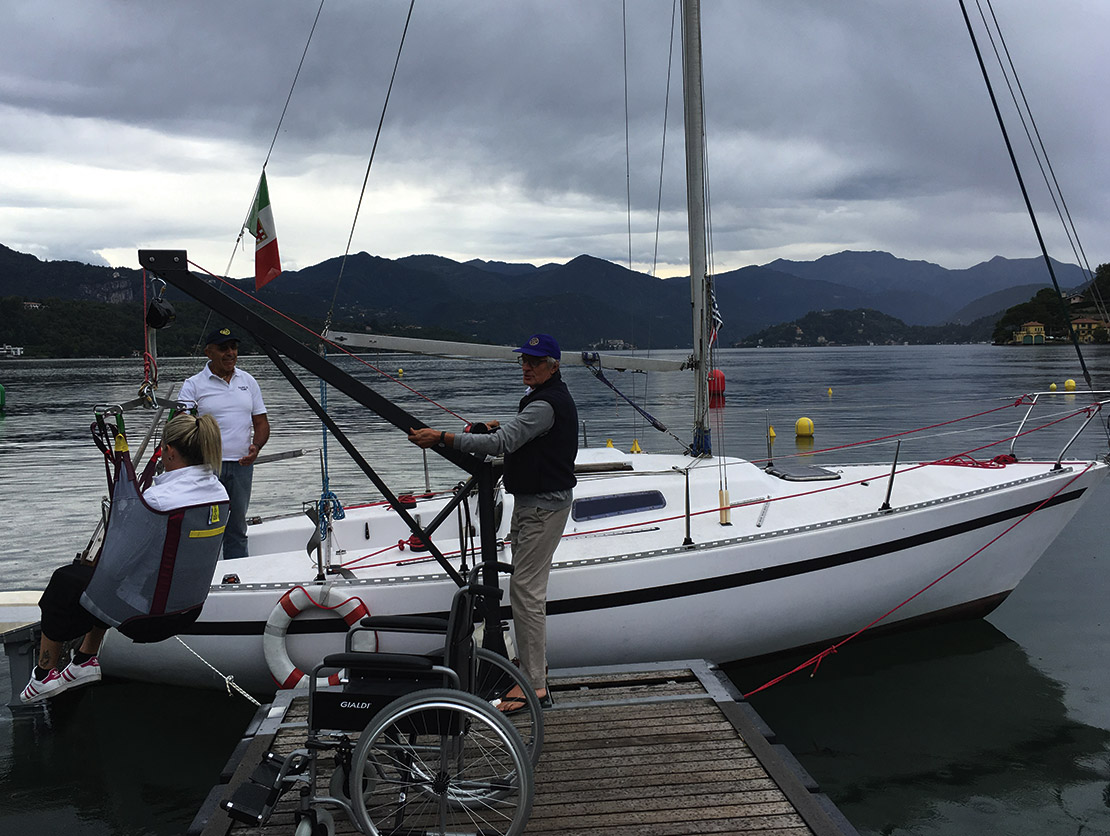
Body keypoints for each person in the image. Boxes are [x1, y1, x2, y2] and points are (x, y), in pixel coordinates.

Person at [408, 333, 577, 712]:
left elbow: (502, 444)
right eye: (524, 360)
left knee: (526, 593)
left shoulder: (545, 405)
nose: (527, 367)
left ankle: (534, 685)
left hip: (541, 509)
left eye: (535, 362)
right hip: (536, 504)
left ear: (553, 366)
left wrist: (442, 438)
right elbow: (517, 438)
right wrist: (490, 429)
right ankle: (534, 667)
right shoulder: (545, 398)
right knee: (526, 590)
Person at [21, 413, 228, 704]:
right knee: (100, 580)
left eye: (162, 449)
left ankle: (44, 675)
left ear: (169, 451)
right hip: (187, 609)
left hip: (149, 617)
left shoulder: (159, 500)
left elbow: (117, 564)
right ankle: (84, 660)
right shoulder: (219, 491)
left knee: (65, 581)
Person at [179, 327, 270, 559]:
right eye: (223, 348)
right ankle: (202, 573)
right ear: (208, 352)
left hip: (241, 466)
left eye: (233, 347)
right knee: (203, 526)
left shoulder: (248, 381)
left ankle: (236, 573)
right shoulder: (193, 385)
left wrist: (257, 447)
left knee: (237, 526)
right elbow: (181, 425)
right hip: (206, 467)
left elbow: (261, 423)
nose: (230, 353)